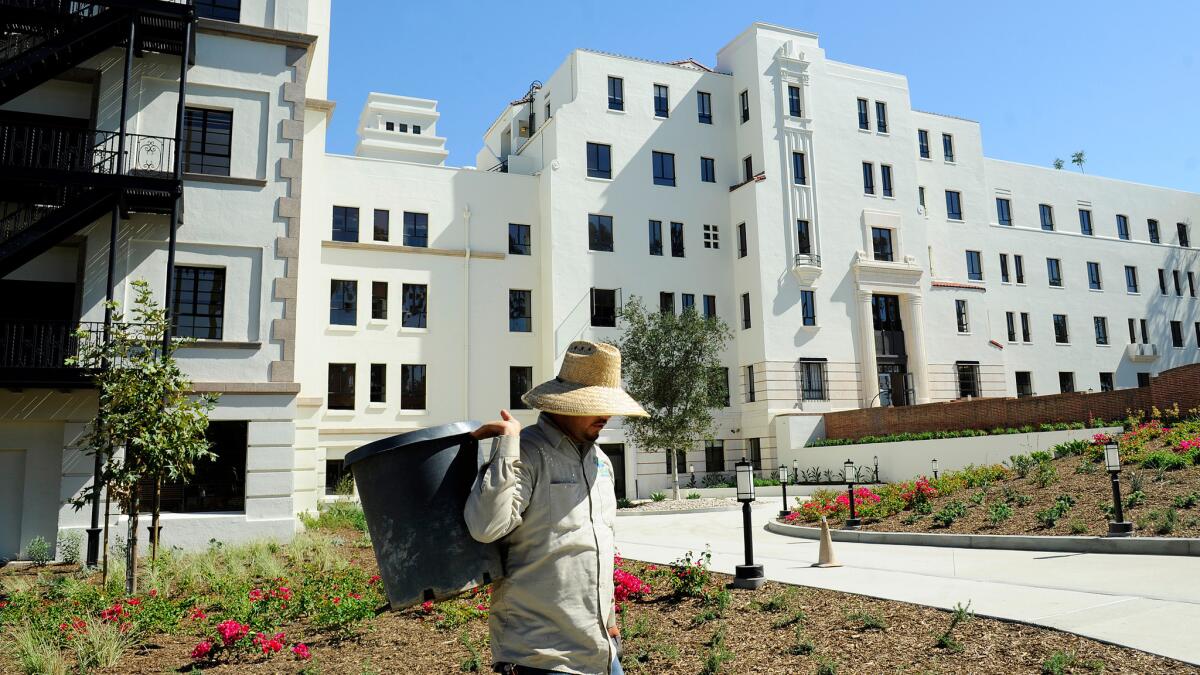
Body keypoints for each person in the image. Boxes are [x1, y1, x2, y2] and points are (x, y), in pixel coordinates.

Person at [465, 340, 648, 675]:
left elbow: (598, 543)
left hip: (601, 651)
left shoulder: (601, 462)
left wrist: (609, 620)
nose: (606, 415)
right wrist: (508, 446)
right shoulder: (526, 453)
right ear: (568, 402)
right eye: (597, 404)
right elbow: (485, 526)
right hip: (541, 655)